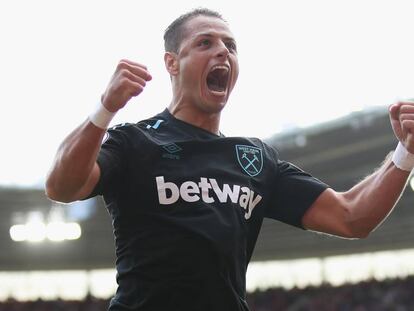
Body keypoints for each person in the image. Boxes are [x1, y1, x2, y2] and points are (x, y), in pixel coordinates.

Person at [45, 7, 414, 311]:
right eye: (205, 42)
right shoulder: (135, 140)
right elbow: (61, 186)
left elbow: (352, 217)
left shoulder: (255, 158)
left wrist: (406, 152)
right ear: (172, 63)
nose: (223, 51)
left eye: (231, 45)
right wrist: (105, 109)